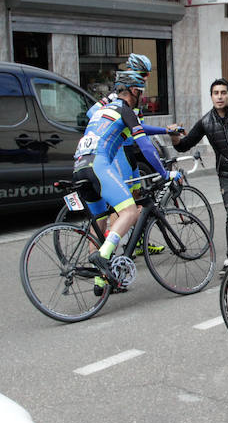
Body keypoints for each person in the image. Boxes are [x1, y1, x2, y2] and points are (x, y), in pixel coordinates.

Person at [77, 71, 179, 288]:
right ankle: (103, 255)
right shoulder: (126, 110)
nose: (141, 96)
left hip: (79, 166)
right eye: (140, 92)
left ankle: (100, 282)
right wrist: (165, 173)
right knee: (130, 211)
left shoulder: (101, 111)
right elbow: (145, 146)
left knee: (98, 223)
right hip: (99, 165)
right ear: (134, 91)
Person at [169, 78, 228, 272]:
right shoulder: (206, 121)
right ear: (211, 96)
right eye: (215, 93)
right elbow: (183, 145)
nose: (219, 97)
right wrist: (173, 136)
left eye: (223, 93)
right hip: (227, 175)